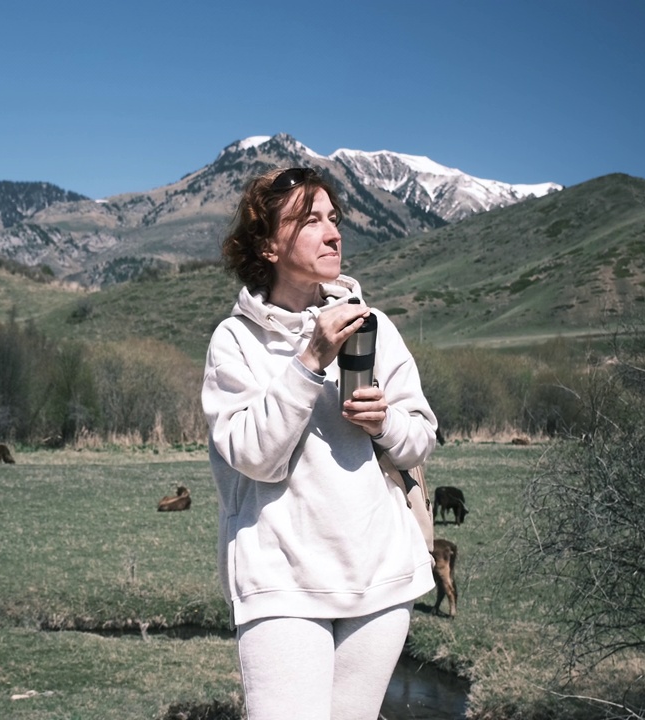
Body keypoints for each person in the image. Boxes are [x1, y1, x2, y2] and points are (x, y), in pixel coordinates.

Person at [202, 167, 439, 720]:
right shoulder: (235, 341)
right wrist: (309, 362)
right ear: (267, 244)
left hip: (378, 577)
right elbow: (256, 458)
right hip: (280, 582)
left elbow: (420, 439)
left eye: (335, 219)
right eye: (310, 221)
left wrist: (384, 424)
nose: (333, 233)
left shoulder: (372, 324)